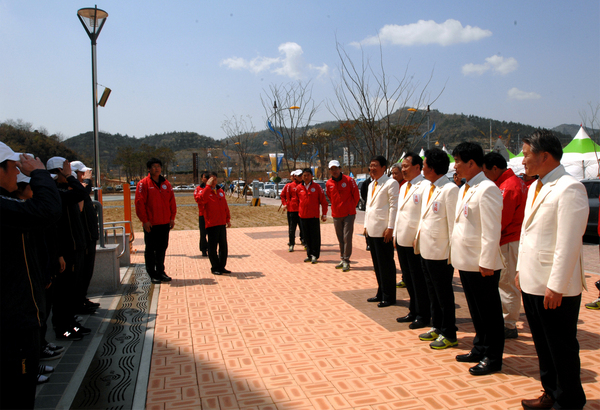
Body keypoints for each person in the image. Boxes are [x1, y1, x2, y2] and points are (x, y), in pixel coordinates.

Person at [517, 130, 588, 410]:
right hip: (533, 280)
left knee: (561, 347)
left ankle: (570, 400)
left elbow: (569, 242)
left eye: (526, 154)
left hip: (554, 286)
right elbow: (530, 234)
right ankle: (550, 392)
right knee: (543, 346)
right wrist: (522, 269)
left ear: (544, 156)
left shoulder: (569, 187)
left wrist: (556, 285)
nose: (522, 161)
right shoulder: (538, 185)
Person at [0, 143, 62, 409]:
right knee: (17, 396)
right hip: (12, 323)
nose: (17, 173)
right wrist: (39, 173)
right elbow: (48, 210)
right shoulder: (3, 207)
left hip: (17, 315)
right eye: (13, 168)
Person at [451, 142, 505, 376]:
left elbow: (492, 230)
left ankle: (492, 357)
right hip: (466, 261)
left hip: (482, 263)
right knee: (476, 310)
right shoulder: (465, 187)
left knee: (489, 313)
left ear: (472, 163)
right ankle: (480, 347)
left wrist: (487, 261)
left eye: (458, 161)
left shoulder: (487, 188)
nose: (455, 166)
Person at [414, 148, 459, 349]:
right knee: (432, 292)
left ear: (432, 168)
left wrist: (451, 254)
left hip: (442, 252)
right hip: (427, 250)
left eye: (424, 165)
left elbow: (453, 225)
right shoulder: (430, 188)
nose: (422, 168)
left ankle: (449, 332)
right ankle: (437, 326)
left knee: (444, 294)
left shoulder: (449, 190)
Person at [483, 152, 527, 339]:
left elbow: (502, 219)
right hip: (508, 239)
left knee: (507, 282)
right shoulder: (509, 183)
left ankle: (509, 323)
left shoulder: (508, 187)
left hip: (508, 240)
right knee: (505, 281)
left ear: (494, 168)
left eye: (485, 170)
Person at [47, 156, 92, 339]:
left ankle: (71, 324)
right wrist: (59, 253)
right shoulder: (55, 192)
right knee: (63, 294)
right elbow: (82, 193)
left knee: (71, 291)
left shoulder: (65, 190)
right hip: (65, 251)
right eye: (66, 170)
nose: (71, 175)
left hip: (75, 247)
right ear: (59, 172)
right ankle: (63, 328)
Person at [393, 152, 430, 327]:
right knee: (408, 277)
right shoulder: (403, 187)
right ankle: (413, 310)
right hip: (402, 239)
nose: (403, 169)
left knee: (418, 280)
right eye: (402, 167)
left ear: (418, 167)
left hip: (415, 242)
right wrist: (395, 235)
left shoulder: (424, 186)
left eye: (406, 166)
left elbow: (424, 215)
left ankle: (423, 315)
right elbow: (400, 214)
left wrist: (419, 236)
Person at [364, 155, 399, 307]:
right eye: (371, 165)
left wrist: (391, 227)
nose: (372, 168)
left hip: (384, 230)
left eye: (375, 165)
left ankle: (389, 295)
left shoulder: (391, 183)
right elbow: (368, 207)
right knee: (377, 264)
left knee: (386, 264)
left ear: (384, 168)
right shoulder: (372, 184)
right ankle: (381, 292)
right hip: (372, 229)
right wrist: (365, 225)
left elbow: (393, 206)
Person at [135, 157, 176, 284]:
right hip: (151, 224)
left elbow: (172, 202)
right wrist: (145, 220)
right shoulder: (143, 184)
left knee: (162, 248)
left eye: (158, 166)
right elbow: (139, 203)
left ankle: (160, 271)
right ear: (149, 169)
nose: (157, 168)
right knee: (151, 249)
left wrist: (172, 218)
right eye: (154, 166)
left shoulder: (166, 184)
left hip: (164, 222)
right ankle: (152, 274)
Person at [71, 161, 101, 314]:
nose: (85, 176)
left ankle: (82, 298)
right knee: (80, 274)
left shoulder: (81, 190)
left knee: (87, 272)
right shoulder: (75, 190)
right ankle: (77, 303)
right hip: (82, 239)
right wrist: (87, 182)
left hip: (89, 237)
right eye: (81, 174)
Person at [326, 160, 360, 272]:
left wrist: (350, 207)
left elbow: (356, 195)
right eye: (332, 169)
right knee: (340, 238)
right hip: (336, 214)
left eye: (336, 168)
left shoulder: (349, 180)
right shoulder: (328, 183)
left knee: (347, 237)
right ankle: (342, 258)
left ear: (340, 168)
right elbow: (330, 197)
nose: (334, 171)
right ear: (329, 170)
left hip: (349, 214)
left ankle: (346, 260)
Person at [200, 172, 231, 275]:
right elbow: (201, 200)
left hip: (221, 222)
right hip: (212, 223)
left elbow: (225, 206)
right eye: (211, 180)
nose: (214, 181)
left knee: (223, 246)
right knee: (212, 247)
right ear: (207, 180)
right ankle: (215, 267)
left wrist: (227, 218)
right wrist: (208, 187)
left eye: (215, 179)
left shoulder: (220, 191)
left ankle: (222, 266)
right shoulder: (205, 192)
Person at [297, 168, 328, 264]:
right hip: (303, 216)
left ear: (312, 176)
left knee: (315, 237)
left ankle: (315, 255)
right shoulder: (299, 188)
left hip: (314, 216)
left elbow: (324, 202)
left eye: (308, 175)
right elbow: (298, 201)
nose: (306, 177)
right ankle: (309, 255)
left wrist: (324, 214)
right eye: (304, 176)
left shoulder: (317, 187)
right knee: (306, 237)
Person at [390, 162, 407, 288]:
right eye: (392, 173)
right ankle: (405, 277)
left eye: (396, 173)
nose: (394, 176)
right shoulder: (395, 185)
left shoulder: (406, 186)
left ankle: (407, 278)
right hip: (396, 224)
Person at [281, 170, 304, 252]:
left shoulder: (304, 185)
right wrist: (285, 204)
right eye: (299, 175)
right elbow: (282, 195)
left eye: (302, 175)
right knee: (292, 228)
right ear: (295, 176)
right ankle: (291, 243)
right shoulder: (289, 186)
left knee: (303, 227)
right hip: (292, 210)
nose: (301, 177)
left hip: (302, 210)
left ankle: (304, 241)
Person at [193, 172, 210, 257]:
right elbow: (198, 199)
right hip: (202, 214)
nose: (206, 179)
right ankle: (203, 249)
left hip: (211, 215)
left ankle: (211, 249)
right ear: (202, 179)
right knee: (203, 234)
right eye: (204, 177)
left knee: (212, 234)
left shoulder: (214, 189)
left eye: (208, 177)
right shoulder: (198, 189)